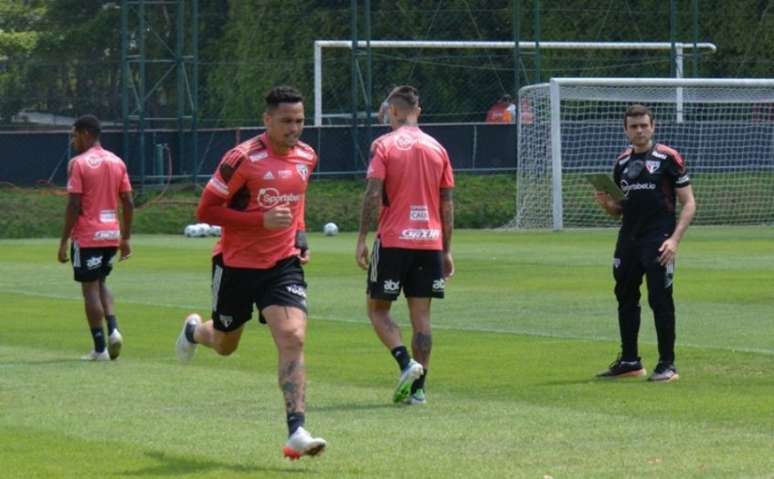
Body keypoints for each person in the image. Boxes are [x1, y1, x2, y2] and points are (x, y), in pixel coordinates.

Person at [175, 85, 326, 459]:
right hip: (236, 266)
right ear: (267, 120)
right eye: (286, 121)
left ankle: (296, 431)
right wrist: (261, 220)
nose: (295, 128)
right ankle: (195, 331)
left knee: (292, 336)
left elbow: (298, 198)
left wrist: (300, 234)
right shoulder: (242, 158)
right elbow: (206, 211)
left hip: (282, 265)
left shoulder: (307, 156)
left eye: (300, 120)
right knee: (226, 345)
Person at [356, 85, 455, 405]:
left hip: (395, 239)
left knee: (377, 309)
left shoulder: (383, 145)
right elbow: (447, 203)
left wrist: (361, 237)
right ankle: (419, 390)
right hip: (429, 241)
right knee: (422, 318)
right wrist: (447, 248)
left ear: (394, 111)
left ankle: (404, 362)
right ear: (418, 112)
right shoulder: (438, 148)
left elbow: (373, 194)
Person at [594, 104, 696, 383]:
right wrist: (606, 205)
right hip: (628, 240)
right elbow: (620, 209)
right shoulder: (622, 163)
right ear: (625, 129)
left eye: (643, 125)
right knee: (625, 298)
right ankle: (630, 361)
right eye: (633, 126)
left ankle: (667, 364)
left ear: (653, 126)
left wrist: (674, 240)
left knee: (660, 299)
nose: (639, 130)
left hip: (659, 240)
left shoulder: (668, 158)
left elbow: (689, 204)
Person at [58, 114, 133, 361]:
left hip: (87, 235)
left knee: (89, 289)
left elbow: (73, 204)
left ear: (85, 133)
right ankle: (113, 330)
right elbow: (129, 202)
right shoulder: (117, 161)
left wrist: (63, 241)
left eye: (74, 135)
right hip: (111, 234)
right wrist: (126, 238)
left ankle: (100, 349)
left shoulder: (78, 163)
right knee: (101, 283)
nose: (72, 140)